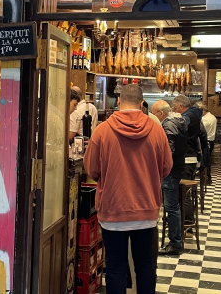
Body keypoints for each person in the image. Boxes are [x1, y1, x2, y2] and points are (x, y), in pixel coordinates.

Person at [84, 84, 172, 293]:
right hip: (146, 210)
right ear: (142, 104)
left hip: (113, 210)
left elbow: (92, 169)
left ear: (120, 101)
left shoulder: (102, 131)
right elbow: (167, 168)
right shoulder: (157, 130)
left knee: (115, 268)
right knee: (146, 266)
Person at [151, 100, 187, 255]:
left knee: (171, 207)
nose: (154, 117)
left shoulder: (168, 125)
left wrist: (160, 163)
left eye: (154, 114)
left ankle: (175, 243)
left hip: (171, 171)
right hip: (177, 168)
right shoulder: (178, 121)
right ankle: (175, 241)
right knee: (173, 206)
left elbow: (169, 149)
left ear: (161, 113)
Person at [199, 103, 217, 184]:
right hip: (211, 141)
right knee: (207, 160)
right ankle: (206, 178)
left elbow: (201, 131)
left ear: (203, 111)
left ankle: (207, 178)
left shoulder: (205, 120)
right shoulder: (212, 117)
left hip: (206, 141)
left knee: (205, 161)